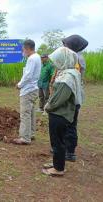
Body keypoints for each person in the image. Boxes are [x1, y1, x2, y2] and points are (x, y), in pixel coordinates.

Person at [42, 47, 82, 176]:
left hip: (60, 114)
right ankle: (57, 163)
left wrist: (48, 106)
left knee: (58, 140)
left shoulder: (67, 78)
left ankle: (58, 169)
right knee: (58, 140)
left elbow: (59, 99)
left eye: (57, 60)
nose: (55, 63)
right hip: (60, 113)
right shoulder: (68, 73)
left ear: (63, 60)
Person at [62, 35, 88, 161]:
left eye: (66, 44)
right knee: (66, 122)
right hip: (73, 93)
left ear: (73, 45)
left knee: (70, 123)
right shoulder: (76, 57)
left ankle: (70, 151)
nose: (64, 47)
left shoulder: (76, 58)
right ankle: (65, 147)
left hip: (73, 95)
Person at [13, 40, 42, 145]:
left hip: (28, 90)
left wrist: (19, 85)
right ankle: (31, 134)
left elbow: (28, 76)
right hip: (34, 88)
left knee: (25, 113)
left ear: (27, 48)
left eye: (23, 49)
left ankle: (25, 138)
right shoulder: (37, 57)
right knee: (31, 112)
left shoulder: (31, 59)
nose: (23, 51)